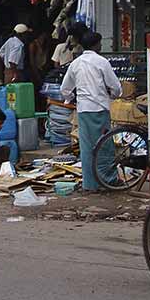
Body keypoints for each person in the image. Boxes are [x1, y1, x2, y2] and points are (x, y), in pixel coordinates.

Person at [60, 31, 124, 191]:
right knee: (104, 146)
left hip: (83, 110)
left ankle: (90, 184)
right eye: (100, 43)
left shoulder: (75, 63)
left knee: (87, 148)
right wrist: (113, 95)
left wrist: (71, 98)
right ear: (96, 45)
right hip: (100, 108)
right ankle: (108, 180)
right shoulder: (102, 62)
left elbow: (65, 88)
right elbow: (116, 87)